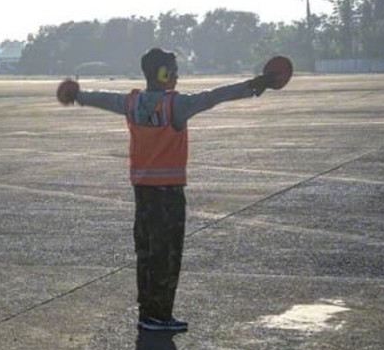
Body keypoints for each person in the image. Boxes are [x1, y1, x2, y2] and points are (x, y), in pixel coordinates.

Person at [57, 48, 281, 333]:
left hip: (143, 193)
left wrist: (78, 94)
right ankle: (158, 316)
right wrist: (254, 85)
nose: (176, 75)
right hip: (168, 195)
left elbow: (103, 98)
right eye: (173, 70)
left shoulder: (132, 102)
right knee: (167, 256)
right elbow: (213, 96)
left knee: (148, 254)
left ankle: (148, 312)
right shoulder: (174, 105)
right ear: (162, 73)